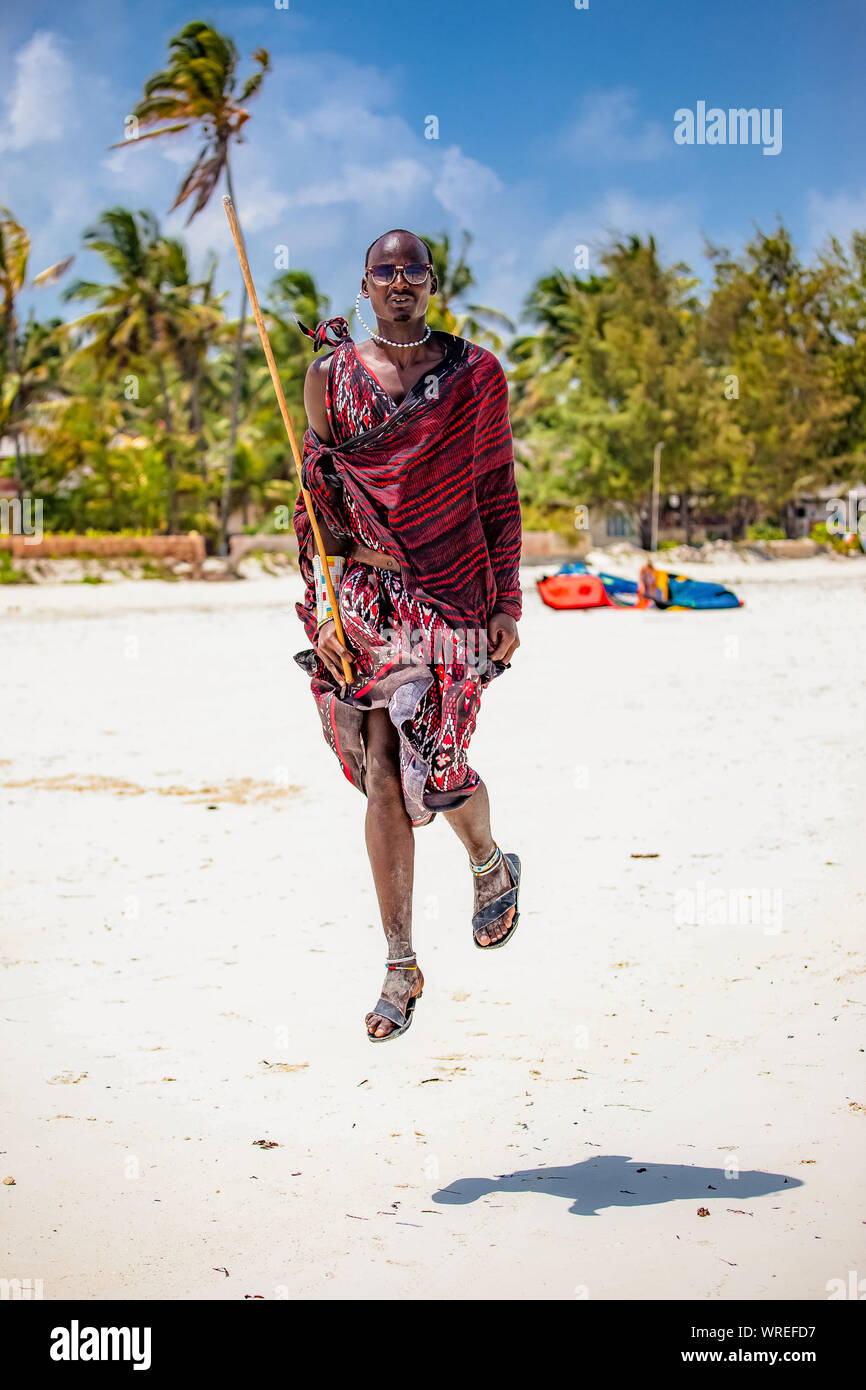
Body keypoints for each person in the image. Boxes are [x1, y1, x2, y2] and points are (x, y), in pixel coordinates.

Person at [291, 229, 523, 1041]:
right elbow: (314, 502)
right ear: (364, 284)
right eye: (384, 272)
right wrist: (322, 608)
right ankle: (400, 963)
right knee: (384, 767)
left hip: (455, 590)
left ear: (431, 283)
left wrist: (508, 605)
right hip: (363, 596)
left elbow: (495, 490)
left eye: (413, 272)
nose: (400, 283)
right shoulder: (331, 377)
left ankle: (490, 861)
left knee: (443, 765)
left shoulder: (474, 376)